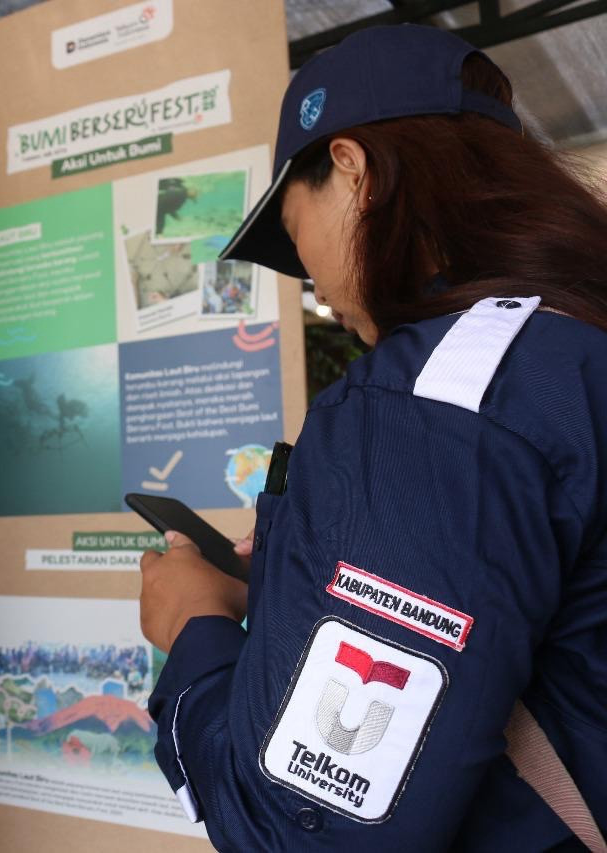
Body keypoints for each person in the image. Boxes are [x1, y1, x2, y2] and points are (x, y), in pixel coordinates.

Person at [139, 25, 607, 851]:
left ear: (351, 169)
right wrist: (294, 580)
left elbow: (305, 831)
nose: (315, 286)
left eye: (298, 228)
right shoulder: (573, 342)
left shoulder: (439, 404)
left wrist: (193, 629)